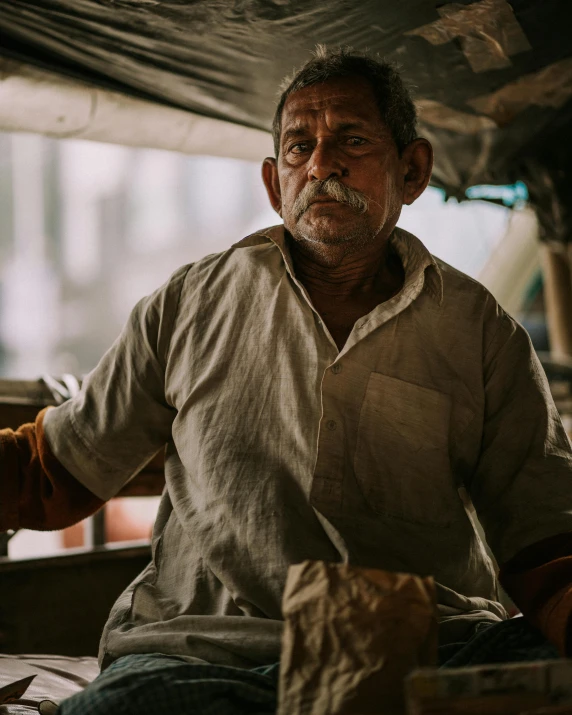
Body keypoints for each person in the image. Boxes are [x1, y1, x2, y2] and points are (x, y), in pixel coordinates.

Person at [2, 46, 572, 715]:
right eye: (300, 146)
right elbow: (52, 473)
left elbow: (547, 539)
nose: (321, 164)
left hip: (424, 646)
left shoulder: (479, 330)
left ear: (412, 170)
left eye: (352, 140)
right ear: (275, 184)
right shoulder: (191, 302)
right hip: (209, 654)